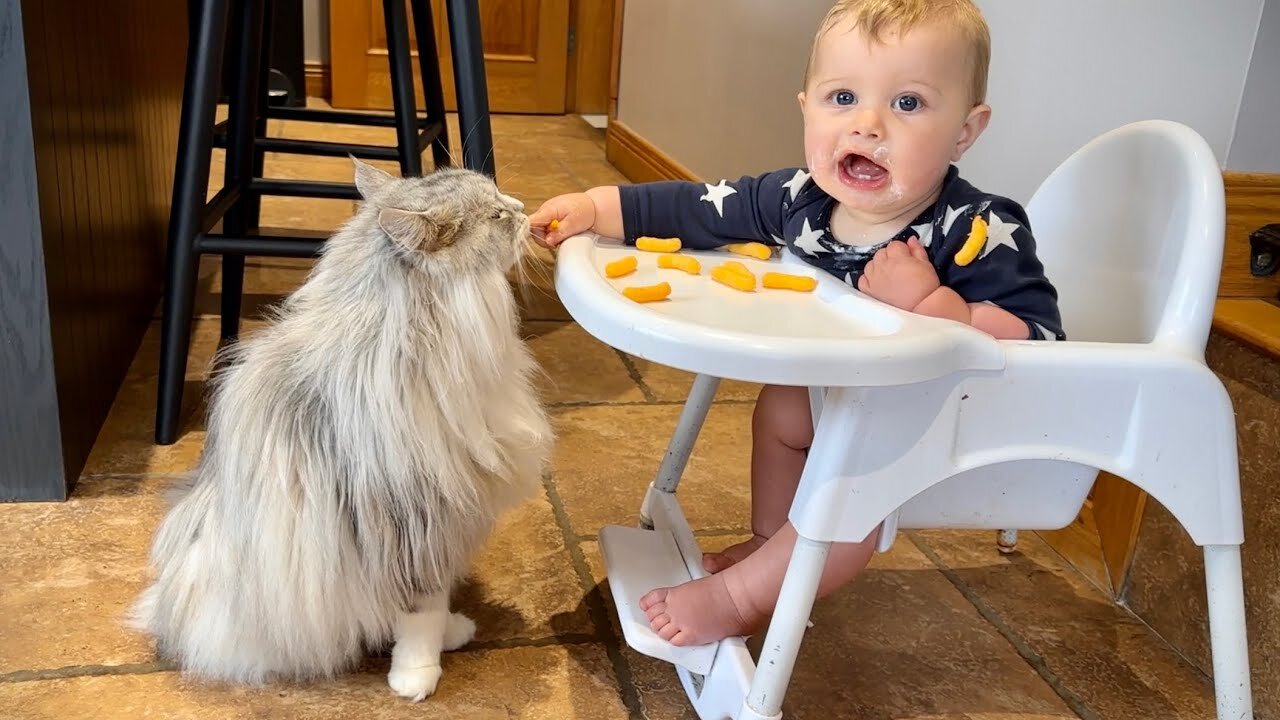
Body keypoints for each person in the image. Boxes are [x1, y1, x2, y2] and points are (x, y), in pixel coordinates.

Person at [529, 0, 1065, 647]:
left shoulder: (975, 229)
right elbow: (697, 208)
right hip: (842, 392)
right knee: (781, 412)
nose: (867, 125)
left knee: (848, 489)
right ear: (806, 105)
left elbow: (1039, 342)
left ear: (965, 130)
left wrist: (931, 305)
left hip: (933, 421)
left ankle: (738, 598)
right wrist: (594, 206)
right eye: (843, 97)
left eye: (908, 104)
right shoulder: (801, 202)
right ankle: (768, 544)